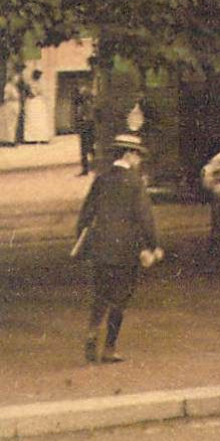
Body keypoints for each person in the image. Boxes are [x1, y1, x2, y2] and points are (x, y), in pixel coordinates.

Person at [73, 133, 161, 364]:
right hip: (125, 249)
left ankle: (92, 330)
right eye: (138, 156)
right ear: (129, 154)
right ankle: (109, 347)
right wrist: (153, 245)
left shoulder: (101, 178)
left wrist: (85, 240)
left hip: (101, 247)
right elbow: (144, 217)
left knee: (101, 293)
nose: (139, 160)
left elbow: (85, 214)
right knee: (120, 298)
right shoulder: (134, 182)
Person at [22, 69, 51, 144]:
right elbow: (29, 93)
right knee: (31, 119)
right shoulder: (29, 83)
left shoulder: (42, 83)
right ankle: (30, 138)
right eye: (37, 75)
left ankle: (42, 137)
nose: (38, 76)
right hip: (31, 102)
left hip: (39, 102)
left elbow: (42, 92)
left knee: (41, 120)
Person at [73, 86, 96, 175]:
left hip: (86, 127)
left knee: (85, 149)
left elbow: (84, 117)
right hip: (88, 126)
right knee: (90, 149)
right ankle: (90, 167)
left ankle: (86, 168)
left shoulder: (85, 106)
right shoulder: (90, 104)